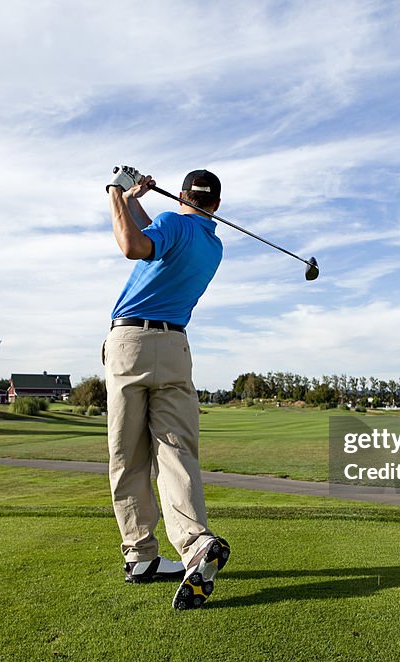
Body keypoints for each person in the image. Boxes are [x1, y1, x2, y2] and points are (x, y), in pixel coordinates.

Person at [103, 168, 231, 610]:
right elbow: (160, 235)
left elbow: (134, 246)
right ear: (215, 204)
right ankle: (195, 544)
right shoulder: (213, 245)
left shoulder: (172, 223)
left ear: (180, 195)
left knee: (128, 456)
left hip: (131, 345)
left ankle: (140, 555)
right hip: (175, 347)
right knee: (175, 453)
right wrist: (138, 201)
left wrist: (115, 193)